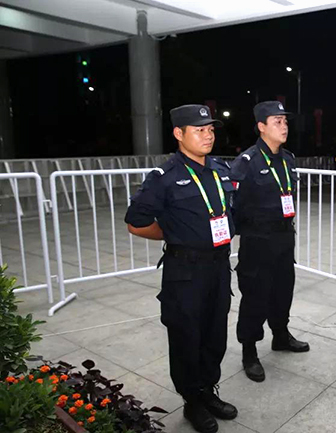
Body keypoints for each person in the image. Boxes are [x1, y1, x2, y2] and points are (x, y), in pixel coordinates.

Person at [124, 104, 237, 433]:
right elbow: (136, 222)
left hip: (219, 268)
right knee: (187, 337)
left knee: (214, 335)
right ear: (178, 134)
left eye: (210, 129)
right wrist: (172, 233)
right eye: (199, 130)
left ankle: (208, 390)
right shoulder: (164, 177)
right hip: (185, 271)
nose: (208, 135)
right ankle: (192, 402)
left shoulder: (220, 169)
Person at [230, 101, 309, 383]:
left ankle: (281, 335)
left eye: (285, 121)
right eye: (277, 121)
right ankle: (249, 351)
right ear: (261, 126)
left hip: (284, 237)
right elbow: (233, 205)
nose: (284, 126)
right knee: (255, 296)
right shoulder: (247, 162)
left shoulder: (288, 159)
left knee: (283, 290)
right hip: (258, 241)